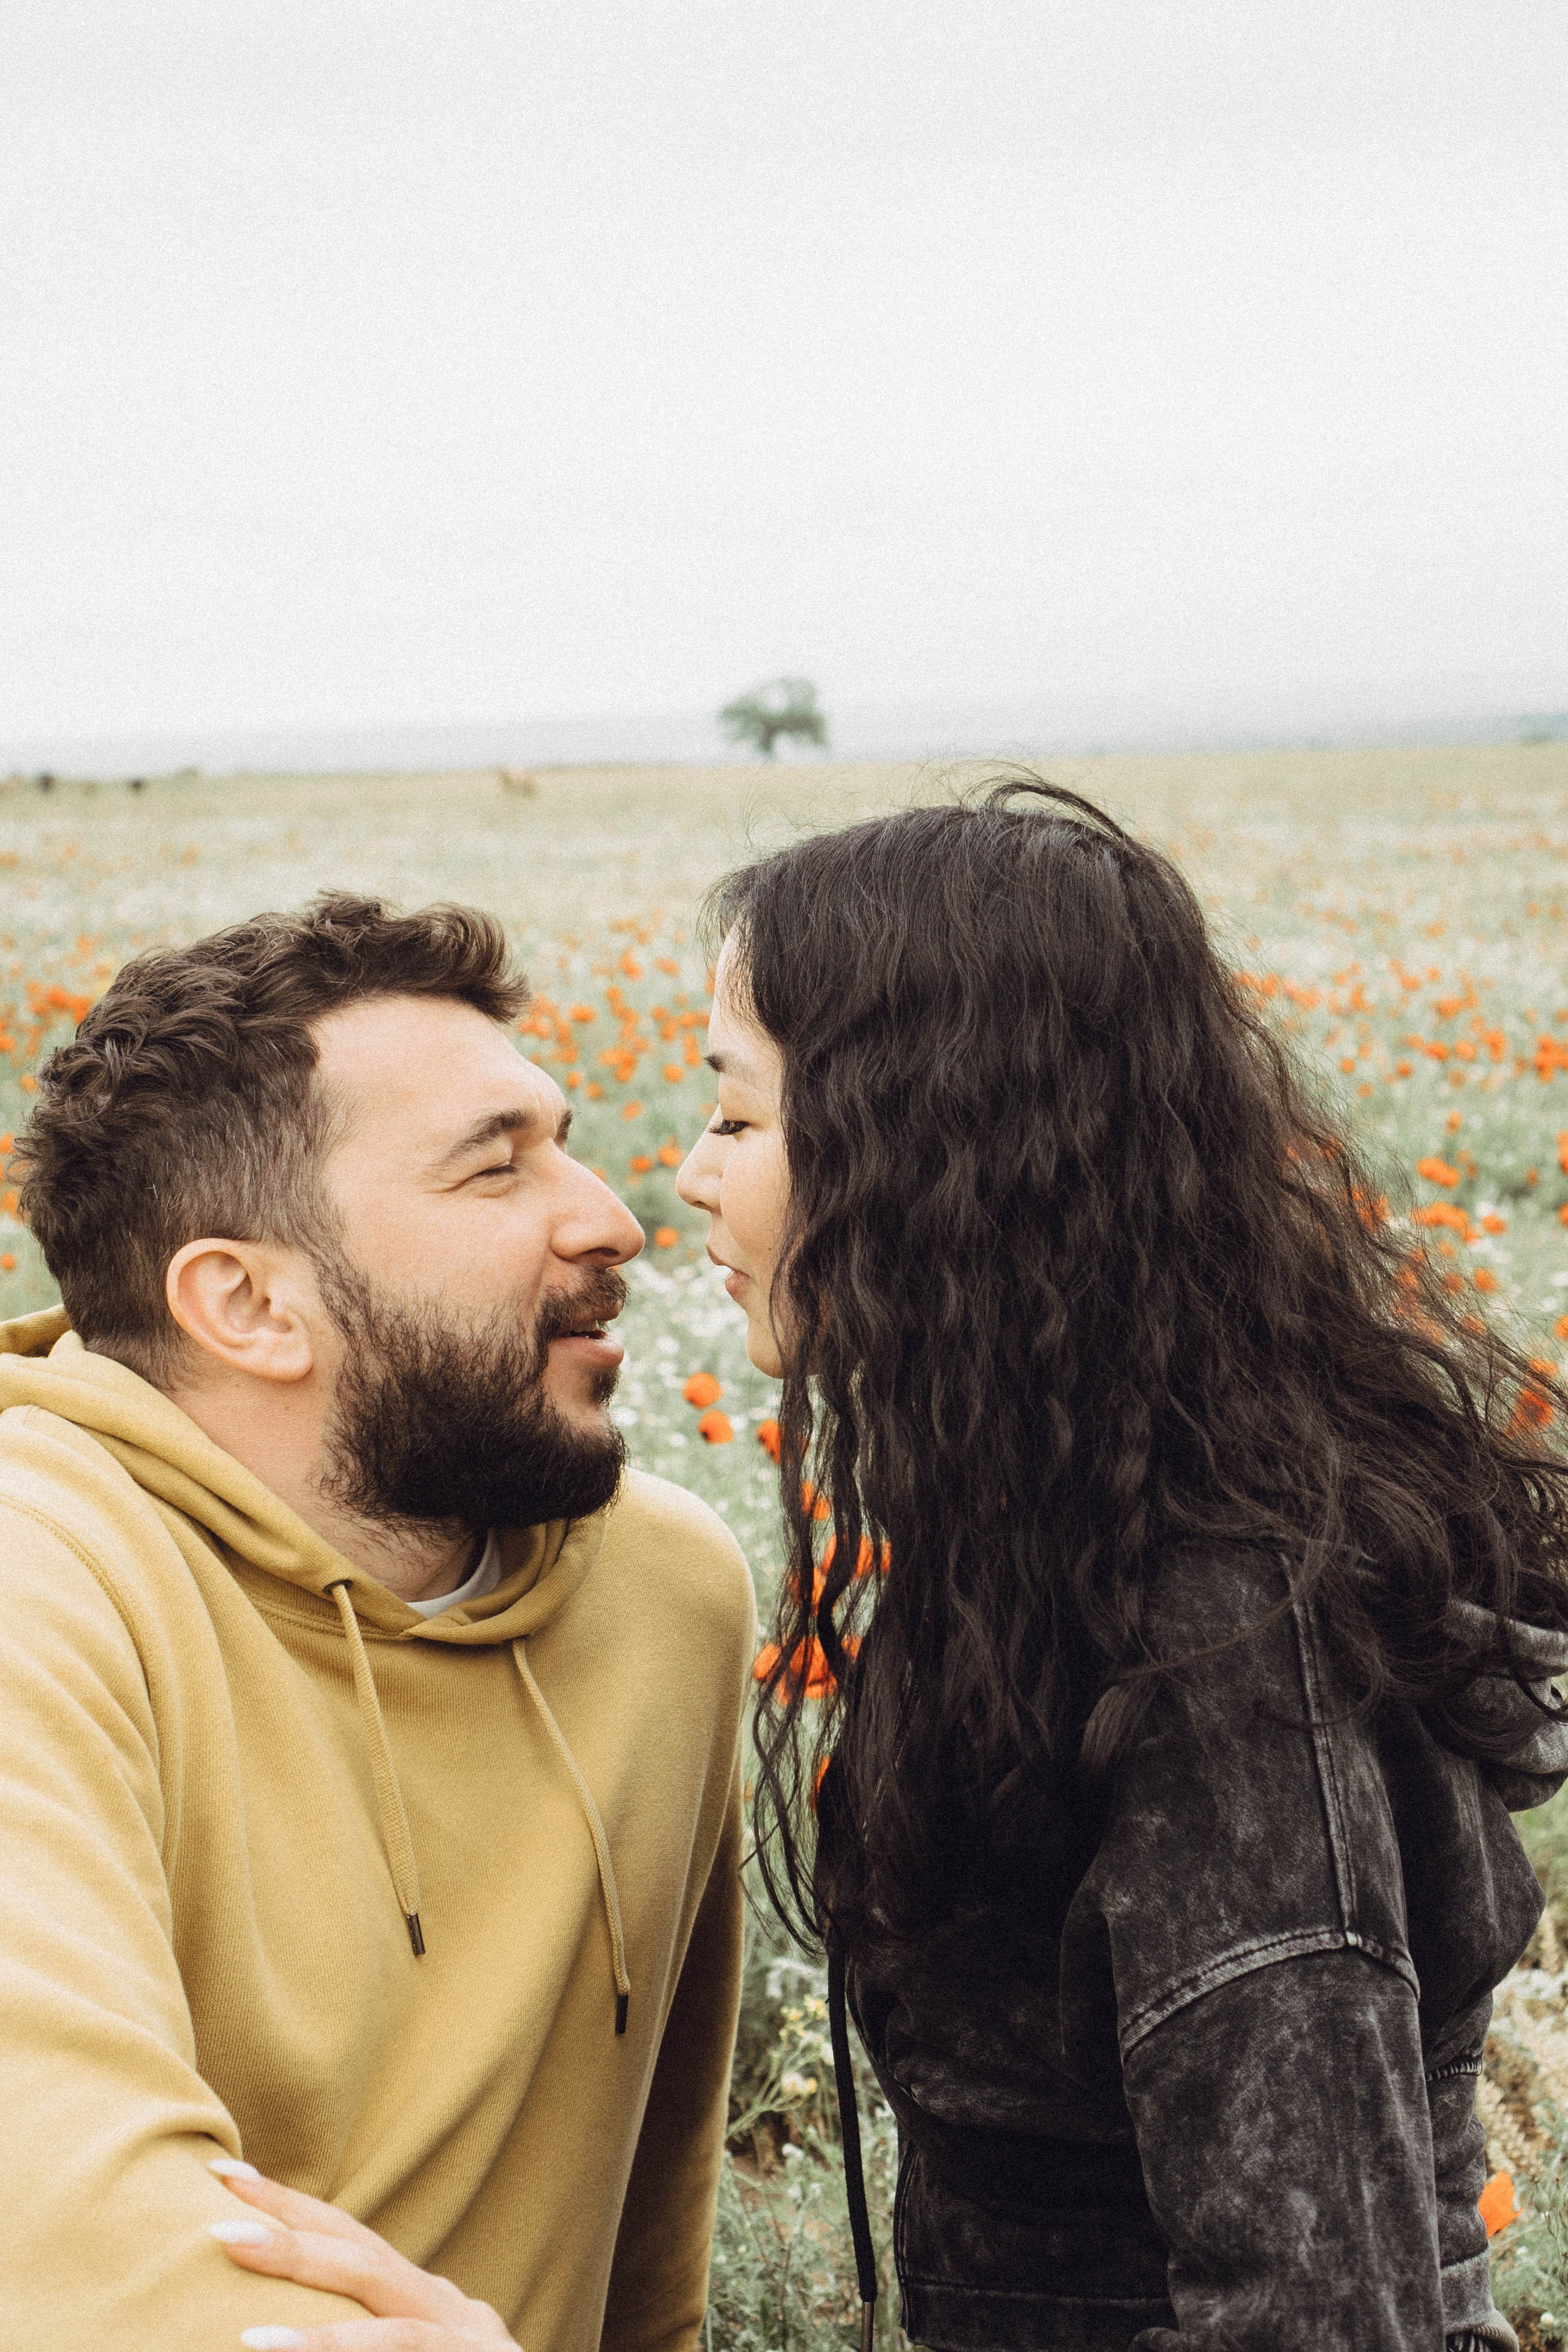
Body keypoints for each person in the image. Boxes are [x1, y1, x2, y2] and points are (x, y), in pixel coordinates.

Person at [674, 782, 1568, 2352]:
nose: (687, 1174)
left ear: (926, 1156)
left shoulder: (1215, 1639)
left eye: (738, 1116)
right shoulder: (1053, 1528)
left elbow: (1316, 2319)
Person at [0, 892, 755, 2351]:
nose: (612, 1220)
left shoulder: (668, 1591)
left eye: (566, 1142)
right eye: (493, 1174)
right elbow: (66, 2238)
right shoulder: (46, 1580)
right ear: (250, 1305)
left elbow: (651, 2262)